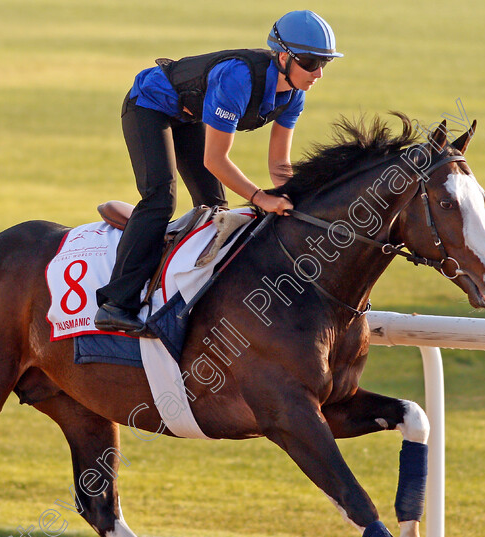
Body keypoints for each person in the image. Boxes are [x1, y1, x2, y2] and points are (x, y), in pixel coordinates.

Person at [94, 10, 343, 335]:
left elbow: (280, 165)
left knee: (215, 209)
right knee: (160, 198)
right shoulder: (237, 77)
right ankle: (115, 305)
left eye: (325, 63)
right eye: (311, 63)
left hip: (188, 116)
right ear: (284, 56)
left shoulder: (295, 96)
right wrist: (258, 197)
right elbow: (215, 159)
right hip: (149, 107)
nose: (319, 74)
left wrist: (294, 201)